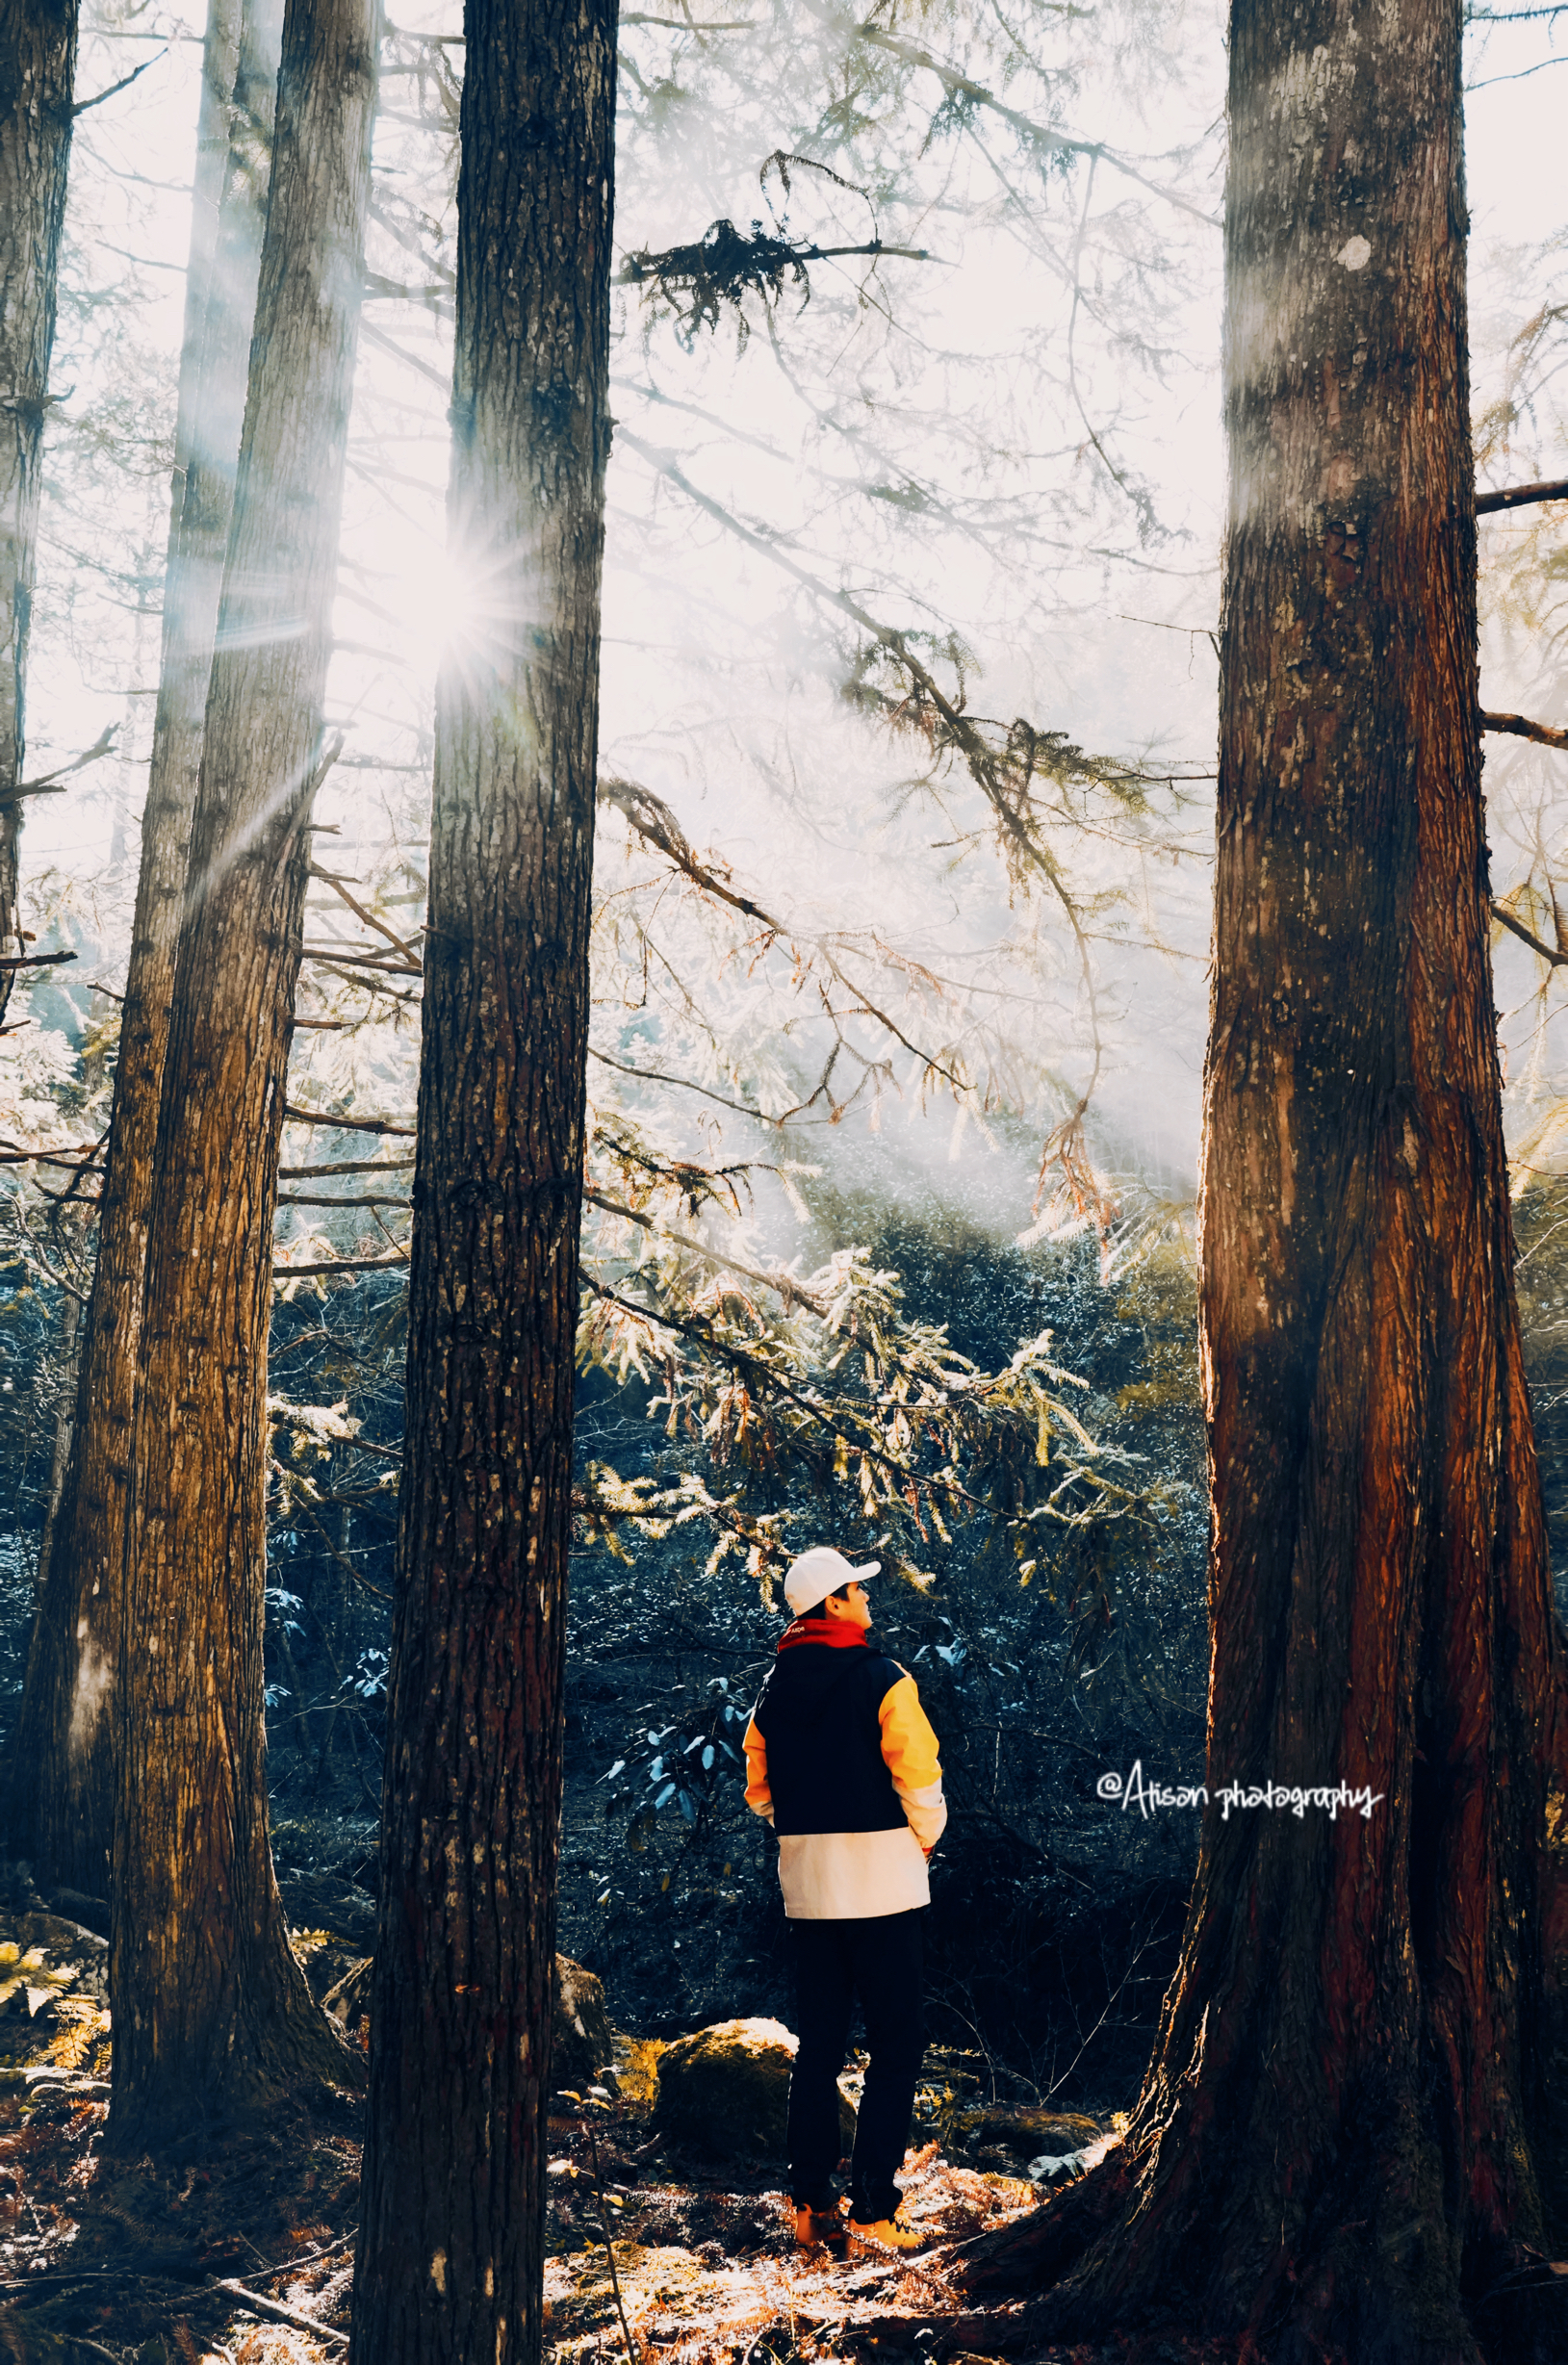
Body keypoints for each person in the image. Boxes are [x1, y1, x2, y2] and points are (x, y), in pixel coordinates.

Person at [742, 1544, 946, 2257]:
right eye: (857, 1590)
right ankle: (873, 2208)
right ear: (832, 1603)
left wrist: (804, 1837)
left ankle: (808, 2207)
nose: (867, 1598)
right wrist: (920, 1840)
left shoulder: (769, 1693)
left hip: (808, 1890)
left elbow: (760, 1792)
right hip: (884, 1887)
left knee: (819, 2049)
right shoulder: (884, 1678)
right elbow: (918, 1777)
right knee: (895, 2047)